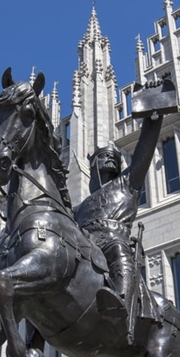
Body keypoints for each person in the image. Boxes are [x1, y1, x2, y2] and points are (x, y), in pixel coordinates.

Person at [74, 86, 166, 321]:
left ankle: (122, 301)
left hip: (112, 242)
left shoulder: (126, 185)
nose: (108, 159)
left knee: (117, 249)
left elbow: (144, 152)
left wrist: (153, 118)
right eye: (102, 157)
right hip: (84, 250)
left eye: (112, 157)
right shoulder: (81, 207)